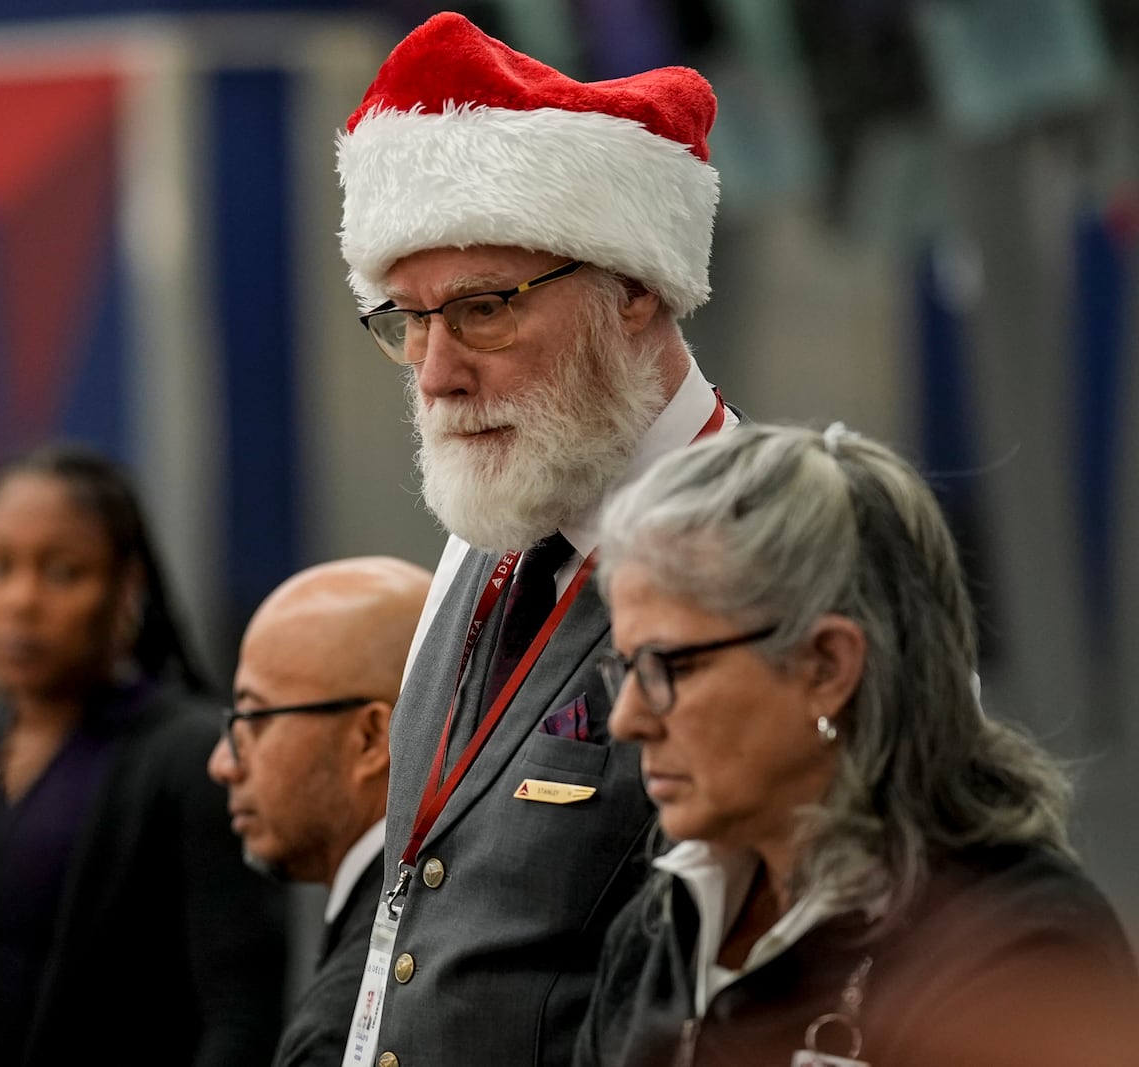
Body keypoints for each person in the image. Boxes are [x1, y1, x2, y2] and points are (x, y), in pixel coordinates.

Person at [334, 11, 732, 1065]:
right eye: (404, 321)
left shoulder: (766, 550)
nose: (433, 372)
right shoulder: (490, 536)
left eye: (480, 309)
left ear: (635, 286)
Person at [575, 422, 1139, 1066]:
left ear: (827, 667)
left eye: (668, 666)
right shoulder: (661, 928)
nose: (626, 719)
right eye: (626, 668)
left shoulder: (1024, 953)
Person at [0, 442, 286, 1067]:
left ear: (128, 585)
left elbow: (240, 1013)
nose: (21, 601)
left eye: (63, 572)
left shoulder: (194, 755)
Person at [206, 556, 432, 1067]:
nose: (222, 763)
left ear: (372, 738)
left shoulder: (350, 1022)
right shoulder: (429, 930)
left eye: (253, 718)